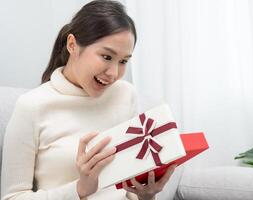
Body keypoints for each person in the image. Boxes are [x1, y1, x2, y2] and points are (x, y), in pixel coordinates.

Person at [0, 0, 176, 199]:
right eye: (107, 57)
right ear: (72, 45)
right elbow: (12, 197)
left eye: (123, 61)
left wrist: (145, 195)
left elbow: (127, 186)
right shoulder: (32, 106)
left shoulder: (125, 95)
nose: (113, 73)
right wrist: (79, 189)